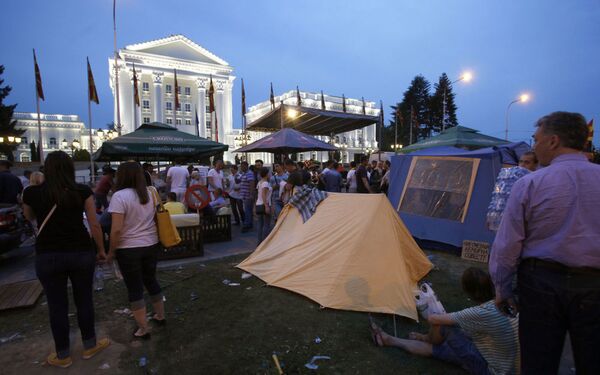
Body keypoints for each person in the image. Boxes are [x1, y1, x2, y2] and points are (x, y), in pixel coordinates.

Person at [489, 111, 600, 374]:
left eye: (535, 139)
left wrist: (502, 288)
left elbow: (507, 245)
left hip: (542, 284)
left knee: (538, 361)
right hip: (595, 285)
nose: (533, 145)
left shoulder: (531, 184)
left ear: (553, 141)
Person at [22, 151, 110, 368]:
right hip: (80, 251)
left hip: (48, 254)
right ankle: (90, 345)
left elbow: (29, 217)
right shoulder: (81, 191)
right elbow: (94, 223)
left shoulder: (32, 192)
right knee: (84, 300)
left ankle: (63, 355)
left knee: (57, 305)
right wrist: (101, 250)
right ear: (70, 168)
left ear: (47, 169)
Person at [371, 268, 519, 375]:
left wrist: (429, 334)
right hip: (514, 365)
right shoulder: (507, 305)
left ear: (467, 291)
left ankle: (414, 339)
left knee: (443, 327)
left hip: (493, 370)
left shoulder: (479, 313)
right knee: (455, 333)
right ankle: (392, 340)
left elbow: (433, 319)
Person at [106, 162, 165, 340]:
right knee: (151, 280)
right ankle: (160, 316)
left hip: (128, 248)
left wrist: (111, 252)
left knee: (135, 288)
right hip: (151, 244)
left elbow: (116, 229)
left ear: (121, 176)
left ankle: (143, 328)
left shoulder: (119, 196)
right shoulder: (150, 193)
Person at [255, 167, 272, 244]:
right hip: (264, 204)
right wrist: (266, 206)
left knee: (260, 224)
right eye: (269, 173)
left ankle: (259, 241)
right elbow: (263, 194)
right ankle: (265, 242)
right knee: (266, 224)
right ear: (266, 174)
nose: (270, 174)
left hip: (258, 204)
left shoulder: (259, 182)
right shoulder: (265, 183)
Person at [239, 161, 255, 232]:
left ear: (245, 166)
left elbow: (252, 184)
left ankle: (247, 224)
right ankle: (249, 223)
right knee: (248, 210)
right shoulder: (244, 173)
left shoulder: (249, 173)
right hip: (245, 196)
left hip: (248, 195)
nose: (241, 168)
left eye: (242, 166)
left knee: (247, 210)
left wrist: (251, 194)